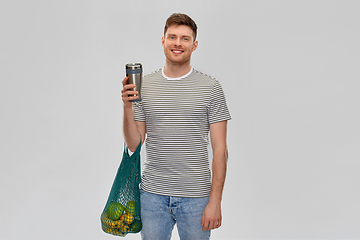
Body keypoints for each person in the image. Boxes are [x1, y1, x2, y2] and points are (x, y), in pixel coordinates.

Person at [121, 13, 231, 240]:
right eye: (172, 37)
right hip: (152, 196)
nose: (178, 43)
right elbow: (134, 145)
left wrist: (215, 201)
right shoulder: (145, 85)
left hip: (196, 198)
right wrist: (127, 107)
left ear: (194, 44)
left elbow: (220, 149)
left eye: (185, 38)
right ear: (163, 41)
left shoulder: (211, 88)